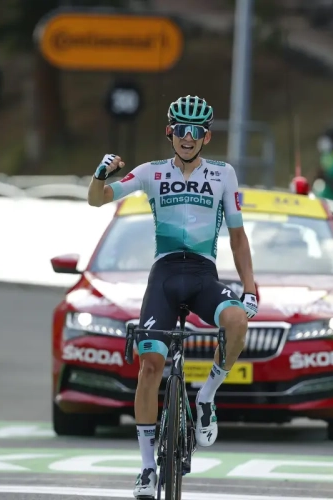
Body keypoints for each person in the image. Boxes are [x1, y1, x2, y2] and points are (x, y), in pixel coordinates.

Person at [86, 95, 258, 498]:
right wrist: (100, 174)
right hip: (164, 275)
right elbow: (97, 199)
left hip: (202, 275)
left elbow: (237, 236)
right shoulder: (151, 173)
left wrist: (249, 287)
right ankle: (147, 467)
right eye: (180, 129)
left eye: (195, 132)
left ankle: (207, 396)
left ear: (206, 137)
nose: (187, 137)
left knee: (237, 321)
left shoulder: (223, 175)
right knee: (150, 366)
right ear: (170, 132)